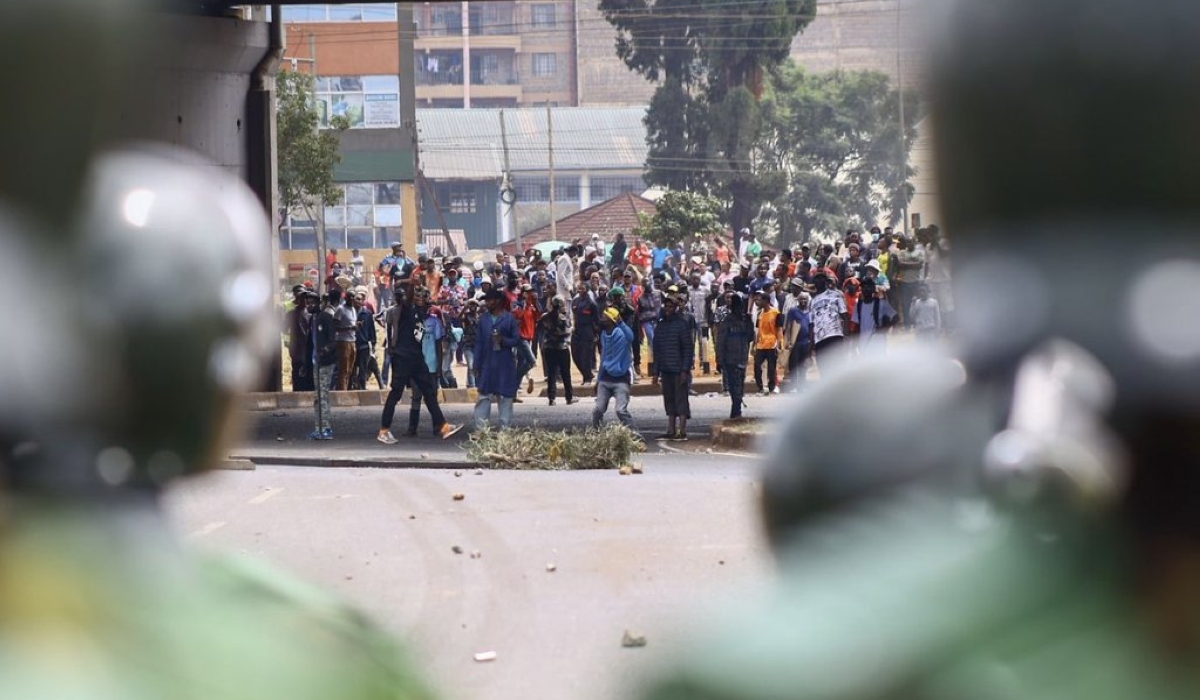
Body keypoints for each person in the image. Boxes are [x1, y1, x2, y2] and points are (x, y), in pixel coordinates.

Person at [377, 280, 462, 444]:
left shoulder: (425, 315)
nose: (420, 299)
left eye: (423, 297)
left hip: (417, 358)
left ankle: (443, 427)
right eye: (417, 296)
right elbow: (408, 299)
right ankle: (384, 430)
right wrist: (411, 283)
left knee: (429, 392)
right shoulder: (407, 309)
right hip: (403, 358)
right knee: (396, 393)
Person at [473, 289, 522, 429]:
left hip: (504, 363)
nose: (487, 303)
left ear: (498, 301)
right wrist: (476, 364)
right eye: (486, 300)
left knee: (505, 397)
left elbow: (516, 340)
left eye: (490, 300)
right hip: (487, 363)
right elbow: (479, 343)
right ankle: (481, 430)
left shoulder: (509, 319)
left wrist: (503, 340)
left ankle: (504, 430)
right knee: (484, 396)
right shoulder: (483, 319)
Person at [651, 294, 694, 440]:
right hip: (665, 369)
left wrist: (684, 370)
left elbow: (688, 349)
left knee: (681, 400)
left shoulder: (681, 325)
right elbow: (657, 351)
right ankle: (670, 430)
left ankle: (682, 431)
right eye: (666, 306)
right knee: (668, 400)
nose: (668, 309)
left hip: (678, 370)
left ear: (675, 308)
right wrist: (655, 373)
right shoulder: (661, 326)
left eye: (671, 306)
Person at [592, 307, 637, 430]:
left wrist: (621, 322)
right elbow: (604, 358)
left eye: (604, 318)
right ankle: (597, 435)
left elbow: (631, 337)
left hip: (621, 378)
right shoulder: (603, 335)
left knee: (620, 410)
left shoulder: (622, 333)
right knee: (598, 410)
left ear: (611, 320)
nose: (601, 320)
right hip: (606, 378)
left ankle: (635, 435)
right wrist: (598, 380)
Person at [714, 293, 754, 418]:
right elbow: (720, 341)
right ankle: (736, 411)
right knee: (734, 386)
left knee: (740, 385)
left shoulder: (745, 321)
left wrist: (749, 323)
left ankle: (736, 410)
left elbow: (750, 337)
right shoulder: (727, 321)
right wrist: (719, 360)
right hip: (730, 359)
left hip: (742, 358)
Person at [808, 268, 848, 374]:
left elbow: (844, 315)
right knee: (823, 368)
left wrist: (846, 334)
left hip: (835, 334)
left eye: (821, 278)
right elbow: (811, 325)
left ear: (826, 281)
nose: (819, 281)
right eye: (816, 279)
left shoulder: (836, 295)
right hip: (819, 339)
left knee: (837, 364)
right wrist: (811, 346)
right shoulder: (812, 301)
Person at [539, 296, 575, 406]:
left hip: (549, 347)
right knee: (565, 373)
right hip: (561, 347)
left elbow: (540, 328)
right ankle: (569, 397)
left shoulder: (545, 317)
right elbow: (567, 332)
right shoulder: (562, 318)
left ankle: (551, 398)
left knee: (551, 374)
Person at [511, 284, 541, 395]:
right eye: (528, 292)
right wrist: (523, 303)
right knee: (532, 361)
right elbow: (517, 315)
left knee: (521, 363)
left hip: (529, 337)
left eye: (531, 292)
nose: (530, 294)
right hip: (520, 337)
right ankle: (513, 381)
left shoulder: (531, 305)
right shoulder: (517, 304)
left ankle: (513, 391)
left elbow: (539, 315)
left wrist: (536, 301)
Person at [854, 276, 897, 354]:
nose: (866, 289)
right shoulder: (858, 305)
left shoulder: (881, 303)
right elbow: (856, 325)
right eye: (864, 287)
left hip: (878, 343)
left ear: (873, 289)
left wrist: (885, 328)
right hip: (863, 345)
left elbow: (895, 317)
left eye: (868, 286)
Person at [782, 287, 812, 393]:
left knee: (803, 365)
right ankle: (794, 385)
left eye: (805, 299)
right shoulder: (793, 311)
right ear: (798, 300)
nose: (803, 301)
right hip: (795, 343)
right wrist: (788, 341)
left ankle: (802, 386)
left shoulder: (810, 312)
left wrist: (811, 343)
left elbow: (812, 328)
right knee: (794, 366)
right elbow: (789, 326)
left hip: (805, 342)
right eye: (801, 299)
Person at [753, 291, 783, 395]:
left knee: (771, 368)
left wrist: (779, 343)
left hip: (771, 343)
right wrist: (754, 344)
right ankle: (760, 387)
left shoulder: (776, 313)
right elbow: (758, 330)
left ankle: (771, 387)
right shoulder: (759, 314)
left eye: (760, 299)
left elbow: (779, 329)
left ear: (766, 301)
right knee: (757, 366)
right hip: (761, 344)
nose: (758, 301)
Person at [287, 287, 316, 391]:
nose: (304, 301)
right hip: (296, 346)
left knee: (308, 369)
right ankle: (297, 389)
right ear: (297, 300)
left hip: (308, 347)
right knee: (297, 369)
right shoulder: (291, 314)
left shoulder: (310, 315)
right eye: (301, 298)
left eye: (305, 299)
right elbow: (285, 329)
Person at [571, 282, 600, 385]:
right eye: (579, 289)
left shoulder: (592, 304)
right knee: (575, 355)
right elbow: (573, 316)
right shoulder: (575, 301)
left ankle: (587, 378)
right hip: (577, 331)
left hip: (588, 332)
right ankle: (587, 374)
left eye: (582, 289)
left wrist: (596, 335)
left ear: (587, 290)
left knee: (586, 356)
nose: (580, 291)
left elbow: (597, 320)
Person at [351, 291, 378, 390]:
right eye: (356, 299)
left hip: (364, 345)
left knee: (363, 369)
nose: (358, 301)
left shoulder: (367, 313)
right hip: (352, 344)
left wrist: (373, 343)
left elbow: (371, 329)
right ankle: (351, 387)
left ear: (363, 301)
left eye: (360, 299)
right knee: (352, 369)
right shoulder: (350, 312)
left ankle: (362, 388)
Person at [331, 287, 357, 391]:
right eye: (349, 298)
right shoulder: (341, 309)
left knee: (350, 369)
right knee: (343, 369)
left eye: (353, 298)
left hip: (352, 340)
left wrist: (356, 326)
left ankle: (345, 388)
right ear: (345, 298)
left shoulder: (353, 309)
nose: (351, 300)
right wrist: (349, 328)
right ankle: (341, 391)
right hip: (343, 341)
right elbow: (335, 326)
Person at [460, 298, 481, 389]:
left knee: (476, 366)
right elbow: (458, 318)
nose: (473, 307)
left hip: (478, 344)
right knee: (471, 365)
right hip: (468, 343)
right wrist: (464, 308)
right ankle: (472, 386)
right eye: (471, 305)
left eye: (474, 305)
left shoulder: (480, 316)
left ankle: (471, 384)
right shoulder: (466, 316)